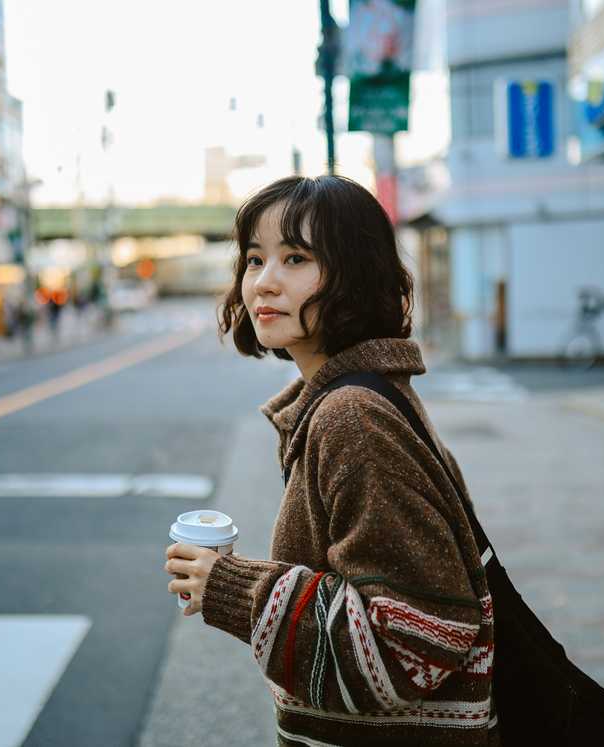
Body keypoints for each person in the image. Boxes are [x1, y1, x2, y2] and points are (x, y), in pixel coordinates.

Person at [164, 176, 499, 746]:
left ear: (355, 274)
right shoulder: (354, 399)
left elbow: (414, 642)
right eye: (254, 259)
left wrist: (230, 587)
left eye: (296, 258)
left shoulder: (353, 417)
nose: (264, 282)